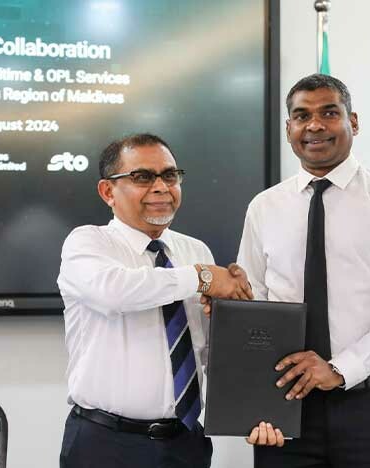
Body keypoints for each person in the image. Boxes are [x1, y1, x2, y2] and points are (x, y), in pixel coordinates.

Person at [238, 74, 370, 467]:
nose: (314, 125)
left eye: (329, 113)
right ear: (289, 129)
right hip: (285, 406)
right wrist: (252, 401)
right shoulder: (264, 207)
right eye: (301, 116)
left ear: (353, 122)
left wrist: (338, 369)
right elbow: (251, 310)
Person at [57, 133, 253, 468]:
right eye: (143, 177)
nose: (161, 187)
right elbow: (115, 292)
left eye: (170, 175)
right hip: (107, 444)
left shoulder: (195, 250)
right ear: (108, 191)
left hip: (186, 443)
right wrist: (202, 277)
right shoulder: (88, 242)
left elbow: (211, 352)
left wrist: (238, 311)